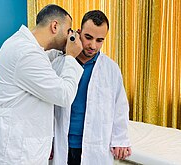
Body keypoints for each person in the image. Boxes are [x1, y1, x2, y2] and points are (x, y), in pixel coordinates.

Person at [0, 4, 84, 165]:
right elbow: (64, 95)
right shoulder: (26, 53)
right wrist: (70, 56)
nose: (70, 35)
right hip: (10, 151)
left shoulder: (25, 46)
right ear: (55, 26)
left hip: (14, 145)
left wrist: (65, 50)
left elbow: (45, 59)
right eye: (68, 30)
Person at [51, 10, 132, 165]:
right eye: (88, 37)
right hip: (63, 144)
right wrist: (48, 139)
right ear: (79, 32)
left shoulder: (111, 69)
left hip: (95, 145)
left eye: (99, 40)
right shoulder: (59, 64)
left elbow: (120, 107)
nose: (93, 45)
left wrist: (121, 139)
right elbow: (48, 107)